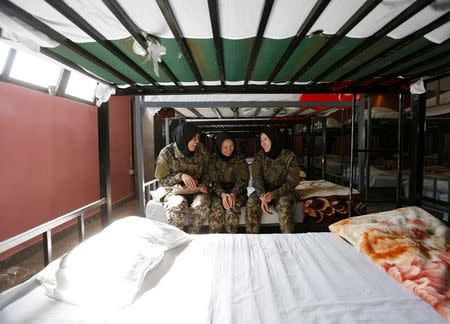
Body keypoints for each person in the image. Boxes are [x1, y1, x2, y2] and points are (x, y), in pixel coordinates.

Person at [155, 122, 210, 233]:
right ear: (184, 137)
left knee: (202, 205)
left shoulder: (201, 150)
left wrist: (203, 184)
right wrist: (181, 176)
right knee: (177, 206)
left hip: (197, 190)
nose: (197, 142)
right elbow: (162, 180)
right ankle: (177, 239)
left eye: (198, 138)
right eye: (194, 138)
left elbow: (208, 172)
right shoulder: (167, 153)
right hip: (175, 191)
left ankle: (192, 237)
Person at [246, 127, 300, 233]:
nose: (262, 143)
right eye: (261, 140)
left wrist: (274, 194)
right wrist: (262, 196)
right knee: (251, 202)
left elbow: (293, 181)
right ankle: (251, 240)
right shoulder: (259, 156)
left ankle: (289, 241)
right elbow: (257, 179)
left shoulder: (289, 156)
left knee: (284, 205)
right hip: (264, 191)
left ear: (274, 139)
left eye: (265, 139)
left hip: (284, 191)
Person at [208, 133, 250, 233]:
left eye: (231, 146)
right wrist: (223, 195)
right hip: (219, 194)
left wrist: (233, 193)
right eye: (225, 147)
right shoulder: (213, 160)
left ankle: (231, 240)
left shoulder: (240, 158)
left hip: (238, 193)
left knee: (232, 209)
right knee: (216, 211)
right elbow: (214, 182)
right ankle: (214, 241)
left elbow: (244, 180)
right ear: (219, 146)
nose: (229, 150)